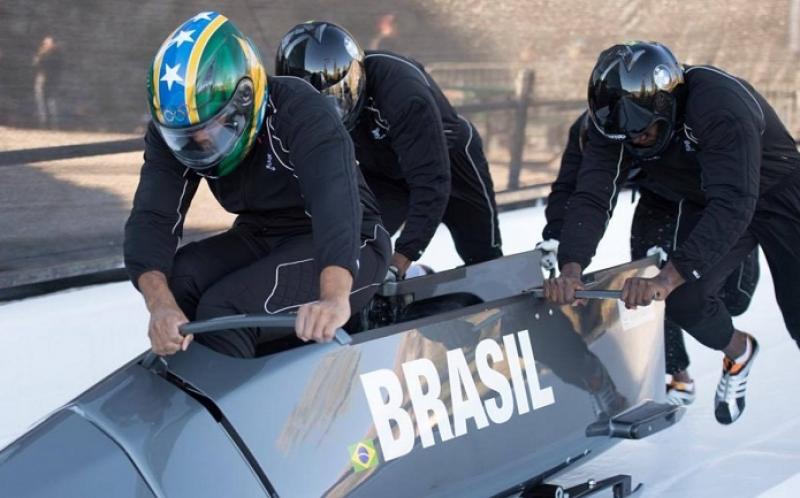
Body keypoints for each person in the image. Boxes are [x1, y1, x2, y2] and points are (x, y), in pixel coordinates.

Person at [543, 41, 800, 424]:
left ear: (666, 106)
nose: (636, 141)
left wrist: (667, 276)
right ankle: (739, 351)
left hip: (778, 195)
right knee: (684, 301)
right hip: (705, 200)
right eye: (626, 136)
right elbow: (592, 195)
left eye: (644, 133)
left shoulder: (717, 102)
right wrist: (571, 266)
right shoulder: (609, 127)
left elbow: (735, 202)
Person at [124, 12, 391, 358]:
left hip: (351, 241)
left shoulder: (300, 110)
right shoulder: (171, 131)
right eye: (187, 138)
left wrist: (334, 297)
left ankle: (232, 389)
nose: (201, 142)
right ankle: (188, 384)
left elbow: (335, 204)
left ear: (245, 98)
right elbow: (152, 217)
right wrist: (160, 305)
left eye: (213, 127)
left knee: (226, 310)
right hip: (261, 232)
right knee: (181, 280)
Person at [540, 111, 760, 406]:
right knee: (648, 286)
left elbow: (732, 189)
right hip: (657, 200)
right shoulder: (586, 133)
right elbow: (572, 189)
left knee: (734, 299)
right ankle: (677, 376)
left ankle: (731, 341)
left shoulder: (677, 116)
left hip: (703, 200)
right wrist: (557, 237)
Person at [274, 21, 502, 279]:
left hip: (448, 159)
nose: (333, 112)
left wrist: (403, 256)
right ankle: (414, 276)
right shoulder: (291, 107)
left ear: (357, 74)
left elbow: (432, 180)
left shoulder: (403, 93)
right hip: (384, 170)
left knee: (483, 258)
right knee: (361, 244)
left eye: (339, 96)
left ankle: (413, 271)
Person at [32, 35, 63, 128]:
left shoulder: (56, 54)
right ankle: (43, 122)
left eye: (47, 43)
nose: (45, 44)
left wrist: (41, 56)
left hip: (51, 80)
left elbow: (54, 67)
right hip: (41, 79)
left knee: (51, 102)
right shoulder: (41, 53)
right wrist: (39, 56)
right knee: (40, 101)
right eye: (44, 43)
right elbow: (35, 65)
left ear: (53, 44)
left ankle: (54, 123)